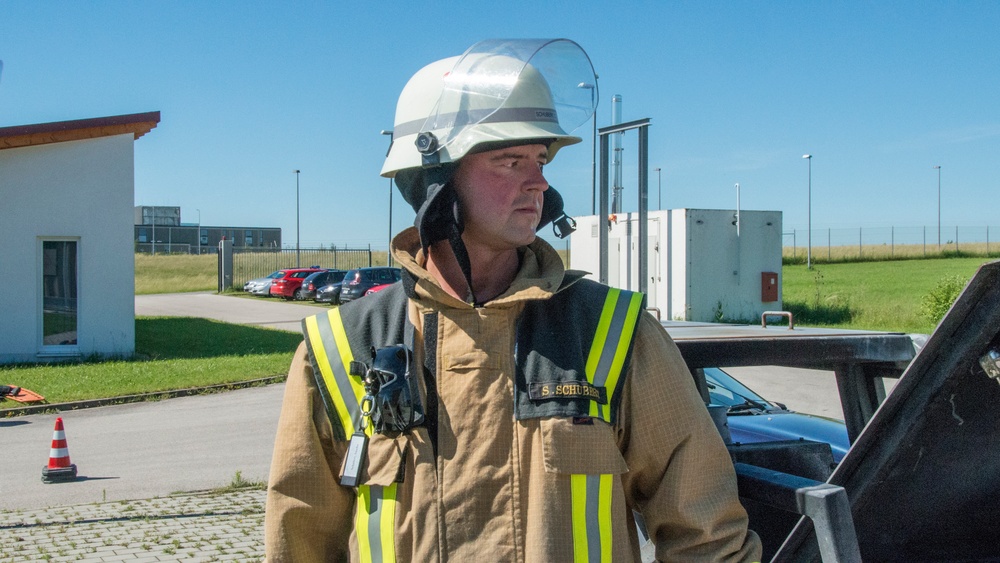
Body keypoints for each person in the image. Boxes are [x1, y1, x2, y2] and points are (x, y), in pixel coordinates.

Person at [265, 38, 761, 562]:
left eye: (541, 159)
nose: (540, 182)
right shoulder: (342, 346)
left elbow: (705, 536)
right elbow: (299, 539)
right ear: (435, 181)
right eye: (509, 160)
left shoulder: (614, 332)